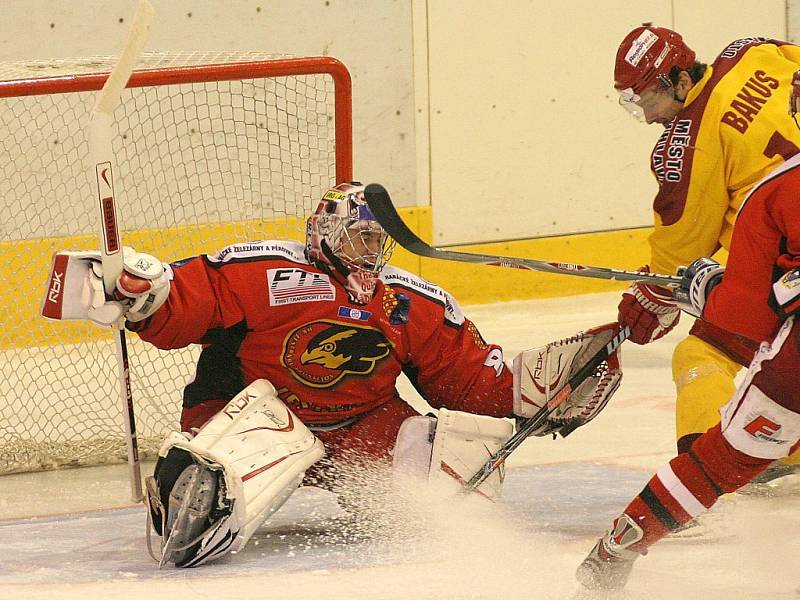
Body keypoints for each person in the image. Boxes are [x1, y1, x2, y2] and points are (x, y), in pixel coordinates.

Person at [42, 182, 622, 568]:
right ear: (322, 233)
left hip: (357, 427)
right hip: (260, 413)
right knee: (204, 509)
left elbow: (463, 379)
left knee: (446, 480)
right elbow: (194, 301)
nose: (366, 251)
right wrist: (144, 297)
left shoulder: (409, 304)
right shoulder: (267, 271)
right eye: (355, 237)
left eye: (375, 240)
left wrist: (530, 390)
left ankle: (379, 498)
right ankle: (197, 489)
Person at [576, 148, 800, 591]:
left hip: (793, 368)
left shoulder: (777, 189)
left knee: (725, 456)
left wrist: (710, 291)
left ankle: (621, 543)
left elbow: (750, 319)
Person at [612, 24, 800, 479]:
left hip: (785, 269)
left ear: (679, 80)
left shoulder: (684, 147)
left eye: (647, 99)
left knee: (701, 353)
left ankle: (705, 475)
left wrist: (651, 295)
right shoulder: (753, 52)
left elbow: (682, 247)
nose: (649, 116)